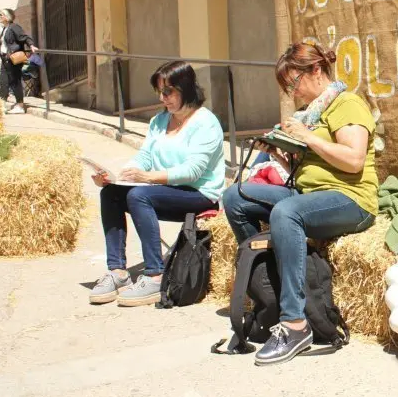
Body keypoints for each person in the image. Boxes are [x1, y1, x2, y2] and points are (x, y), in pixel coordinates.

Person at [223, 42, 378, 366]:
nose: (293, 94)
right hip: (310, 195)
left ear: (316, 71)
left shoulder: (347, 105)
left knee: (286, 212)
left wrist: (307, 136)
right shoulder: (312, 114)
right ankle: (268, 287)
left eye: (293, 84)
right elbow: (308, 168)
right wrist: (279, 149)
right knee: (236, 196)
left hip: (351, 198)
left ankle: (295, 324)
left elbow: (354, 160)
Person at [89, 61, 225, 307]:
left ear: (186, 89)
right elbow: (145, 157)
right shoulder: (159, 121)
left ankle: (155, 274)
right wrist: (120, 175)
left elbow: (193, 171)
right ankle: (118, 272)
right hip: (165, 189)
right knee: (111, 193)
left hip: (199, 193)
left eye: (168, 92)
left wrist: (148, 178)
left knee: (139, 196)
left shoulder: (206, 122)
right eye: (160, 92)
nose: (163, 98)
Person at [0, 9, 38, 114]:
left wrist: (31, 45)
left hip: (12, 59)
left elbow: (24, 37)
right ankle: (2, 104)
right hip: (4, 59)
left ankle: (20, 105)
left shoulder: (14, 27)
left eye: (1, 15)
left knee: (15, 82)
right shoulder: (5, 29)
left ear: (7, 17)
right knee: (3, 82)